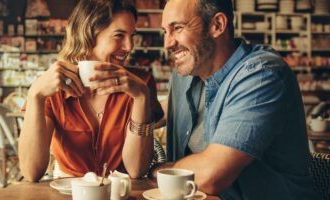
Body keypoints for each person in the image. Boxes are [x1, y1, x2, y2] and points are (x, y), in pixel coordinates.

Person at [155, 0, 319, 199]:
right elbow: (156, 113)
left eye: (178, 28)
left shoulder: (261, 75)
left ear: (218, 25)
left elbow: (211, 176)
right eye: (165, 31)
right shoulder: (185, 76)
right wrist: (138, 98)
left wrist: (162, 170)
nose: (168, 43)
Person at [19, 0, 163, 182]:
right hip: (68, 193)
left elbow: (136, 169)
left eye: (132, 36)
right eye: (119, 35)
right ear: (88, 34)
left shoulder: (140, 84)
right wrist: (35, 95)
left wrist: (142, 97)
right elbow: (31, 172)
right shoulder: (53, 87)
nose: (129, 46)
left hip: (121, 193)